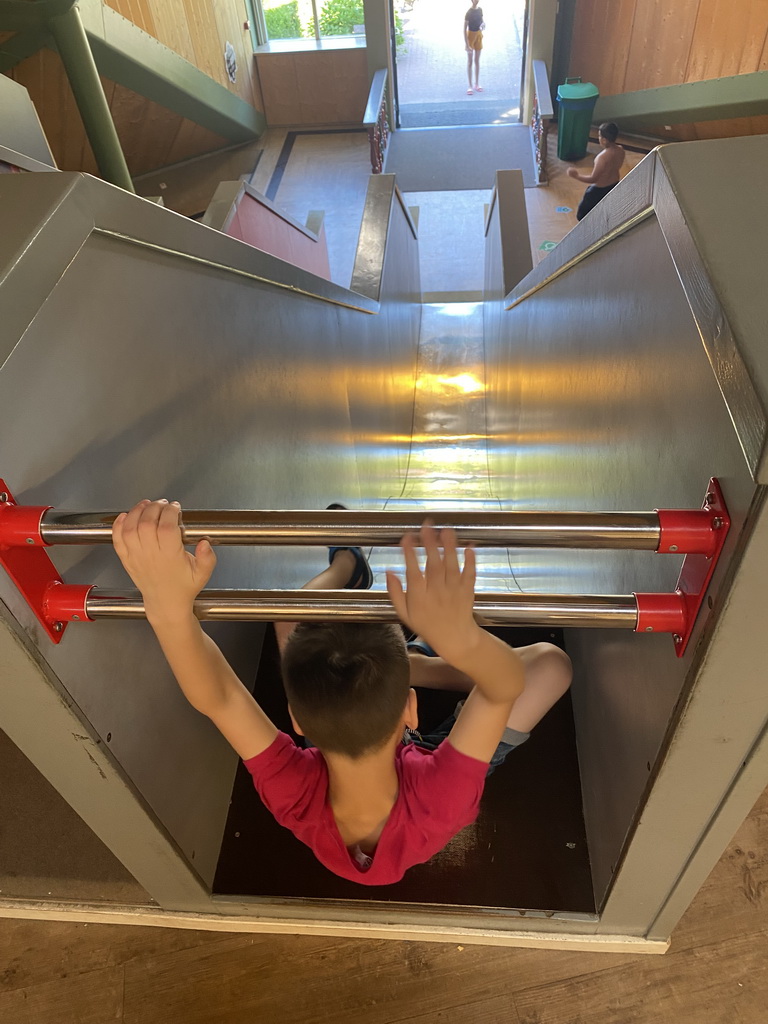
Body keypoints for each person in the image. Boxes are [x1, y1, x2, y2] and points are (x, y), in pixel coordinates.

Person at [112, 499, 572, 886]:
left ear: (297, 721)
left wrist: (167, 608)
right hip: (433, 760)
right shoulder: (440, 798)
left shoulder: (296, 793)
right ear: (410, 709)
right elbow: (504, 687)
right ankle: (420, 664)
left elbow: (218, 697)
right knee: (553, 666)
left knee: (288, 615)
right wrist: (464, 643)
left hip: (351, 741)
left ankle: (349, 568)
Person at [567, 121, 625, 221]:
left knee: (582, 215)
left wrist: (576, 175)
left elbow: (593, 179)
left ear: (604, 140)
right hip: (614, 185)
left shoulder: (601, 158)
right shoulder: (621, 150)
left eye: (599, 136)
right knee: (605, 212)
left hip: (598, 191)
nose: (599, 138)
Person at [464, 1, 485, 95]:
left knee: (477, 60)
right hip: (470, 36)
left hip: (478, 35)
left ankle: (477, 83)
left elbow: (482, 20)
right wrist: (467, 44)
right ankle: (470, 85)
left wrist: (483, 24)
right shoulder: (469, 12)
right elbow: (464, 29)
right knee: (470, 61)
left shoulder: (480, 10)